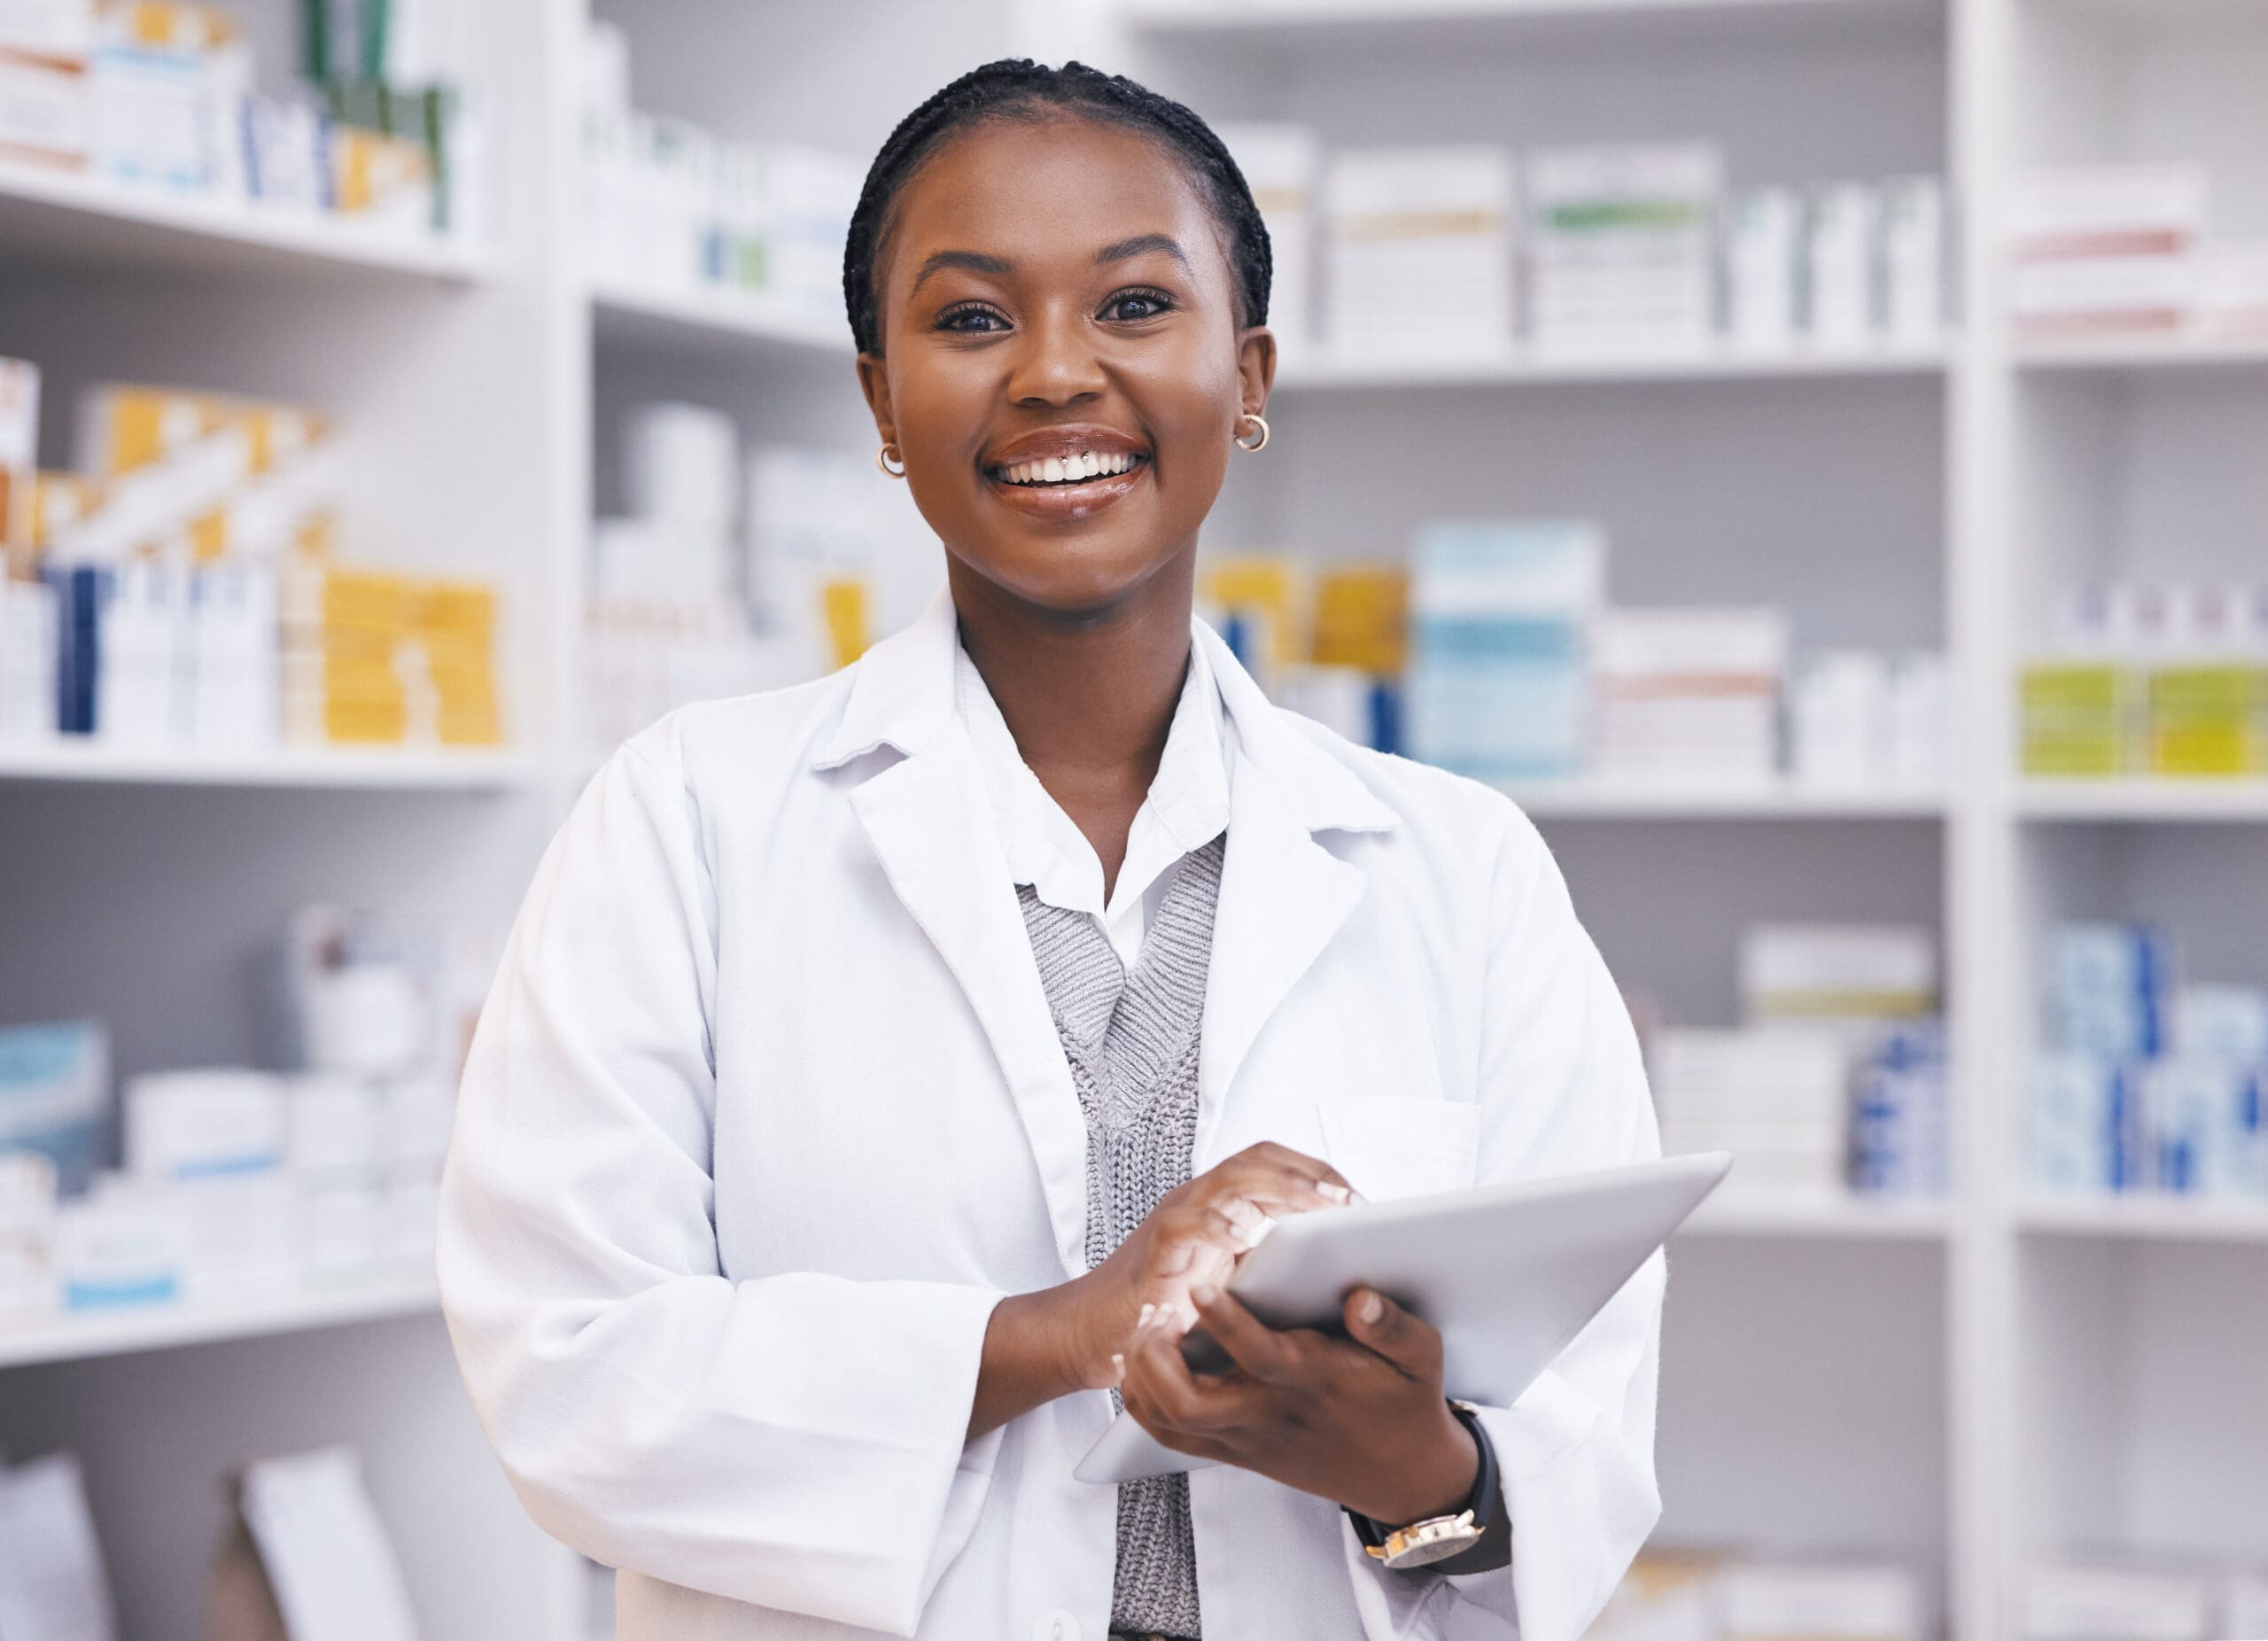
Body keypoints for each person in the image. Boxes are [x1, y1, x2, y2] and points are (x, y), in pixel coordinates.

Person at [439, 58, 1662, 1641]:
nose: (1054, 374)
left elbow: (1584, 1446)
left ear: (1250, 373)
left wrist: (1411, 1466)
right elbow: (571, 1377)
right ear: (882, 398)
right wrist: (1058, 1332)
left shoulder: (1460, 868)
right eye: (969, 320)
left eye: (1138, 307)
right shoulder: (688, 820)